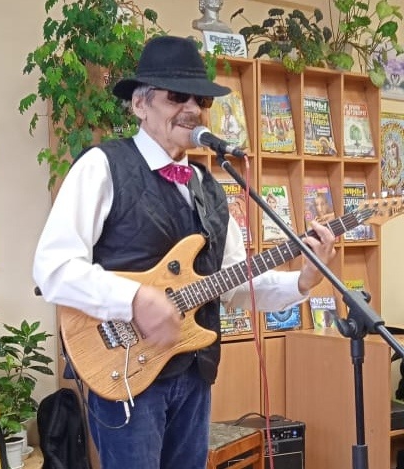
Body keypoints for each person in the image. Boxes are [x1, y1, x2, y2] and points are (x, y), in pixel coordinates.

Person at [33, 35, 336, 469]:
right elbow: (53, 268)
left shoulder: (210, 188)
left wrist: (303, 280)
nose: (192, 108)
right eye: (177, 96)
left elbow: (233, 282)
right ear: (140, 104)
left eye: (201, 100)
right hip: (124, 368)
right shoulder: (102, 166)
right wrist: (135, 299)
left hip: (194, 371)